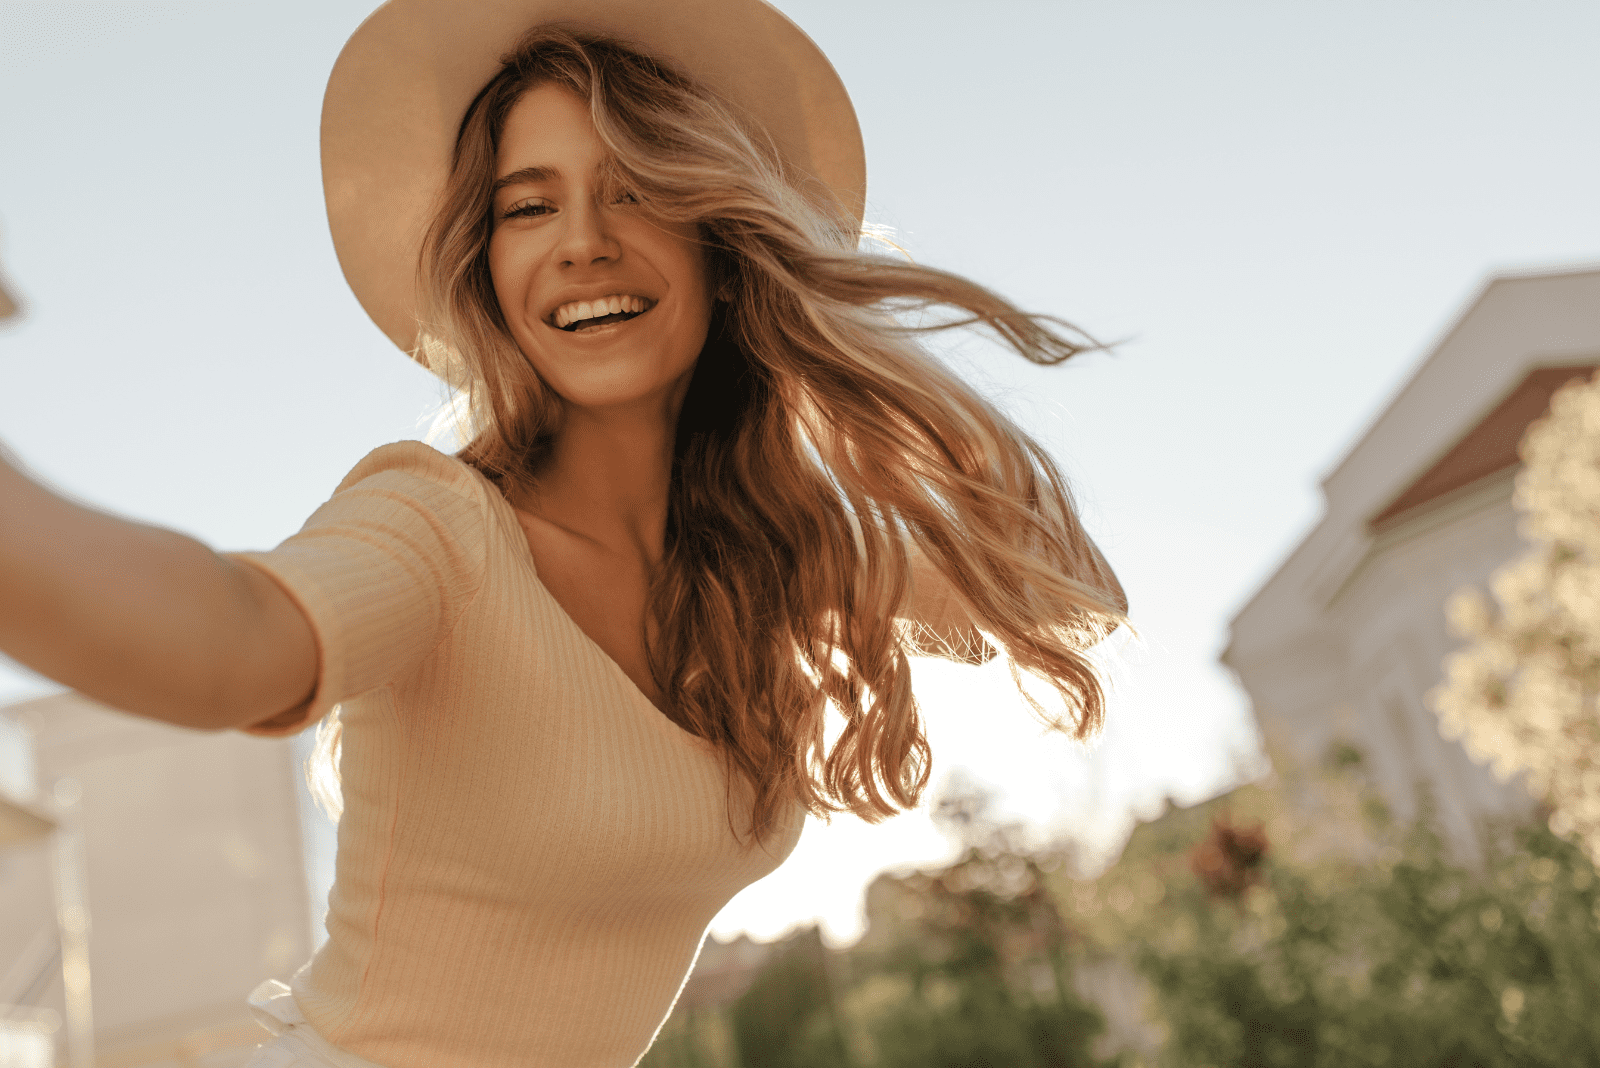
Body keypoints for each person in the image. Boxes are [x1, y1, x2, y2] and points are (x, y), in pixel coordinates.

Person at [0, 0, 1127, 1065]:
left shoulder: (768, 560)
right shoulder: (438, 525)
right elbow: (234, 639)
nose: (582, 241)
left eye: (635, 189)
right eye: (528, 206)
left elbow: (1066, 590)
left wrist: (833, 376)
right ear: (488, 273)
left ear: (719, 240)